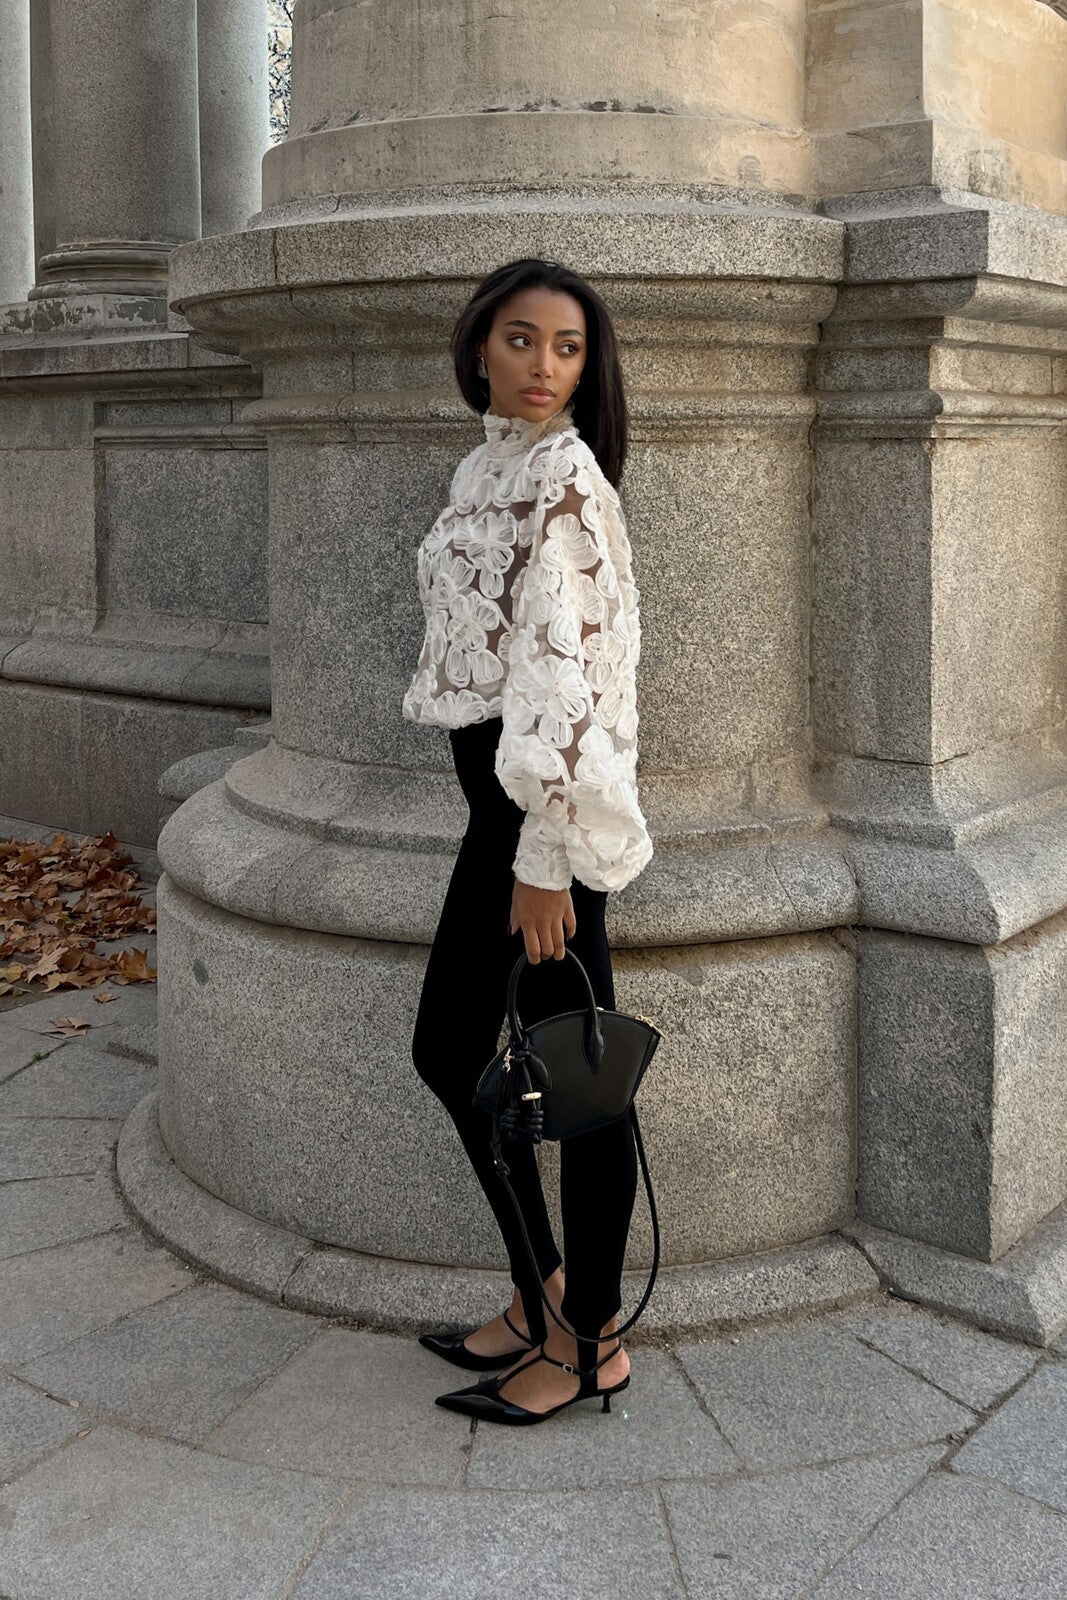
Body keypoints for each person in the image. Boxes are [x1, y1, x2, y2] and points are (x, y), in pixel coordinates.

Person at [403, 256, 654, 1426]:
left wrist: (545, 857)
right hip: (494, 821)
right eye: (520, 340)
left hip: (533, 830)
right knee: (452, 1051)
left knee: (580, 1082)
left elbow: (570, 678)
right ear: (478, 348)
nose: (545, 366)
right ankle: (538, 1288)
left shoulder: (564, 479)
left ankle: (590, 1338)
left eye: (566, 347)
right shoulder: (484, 466)